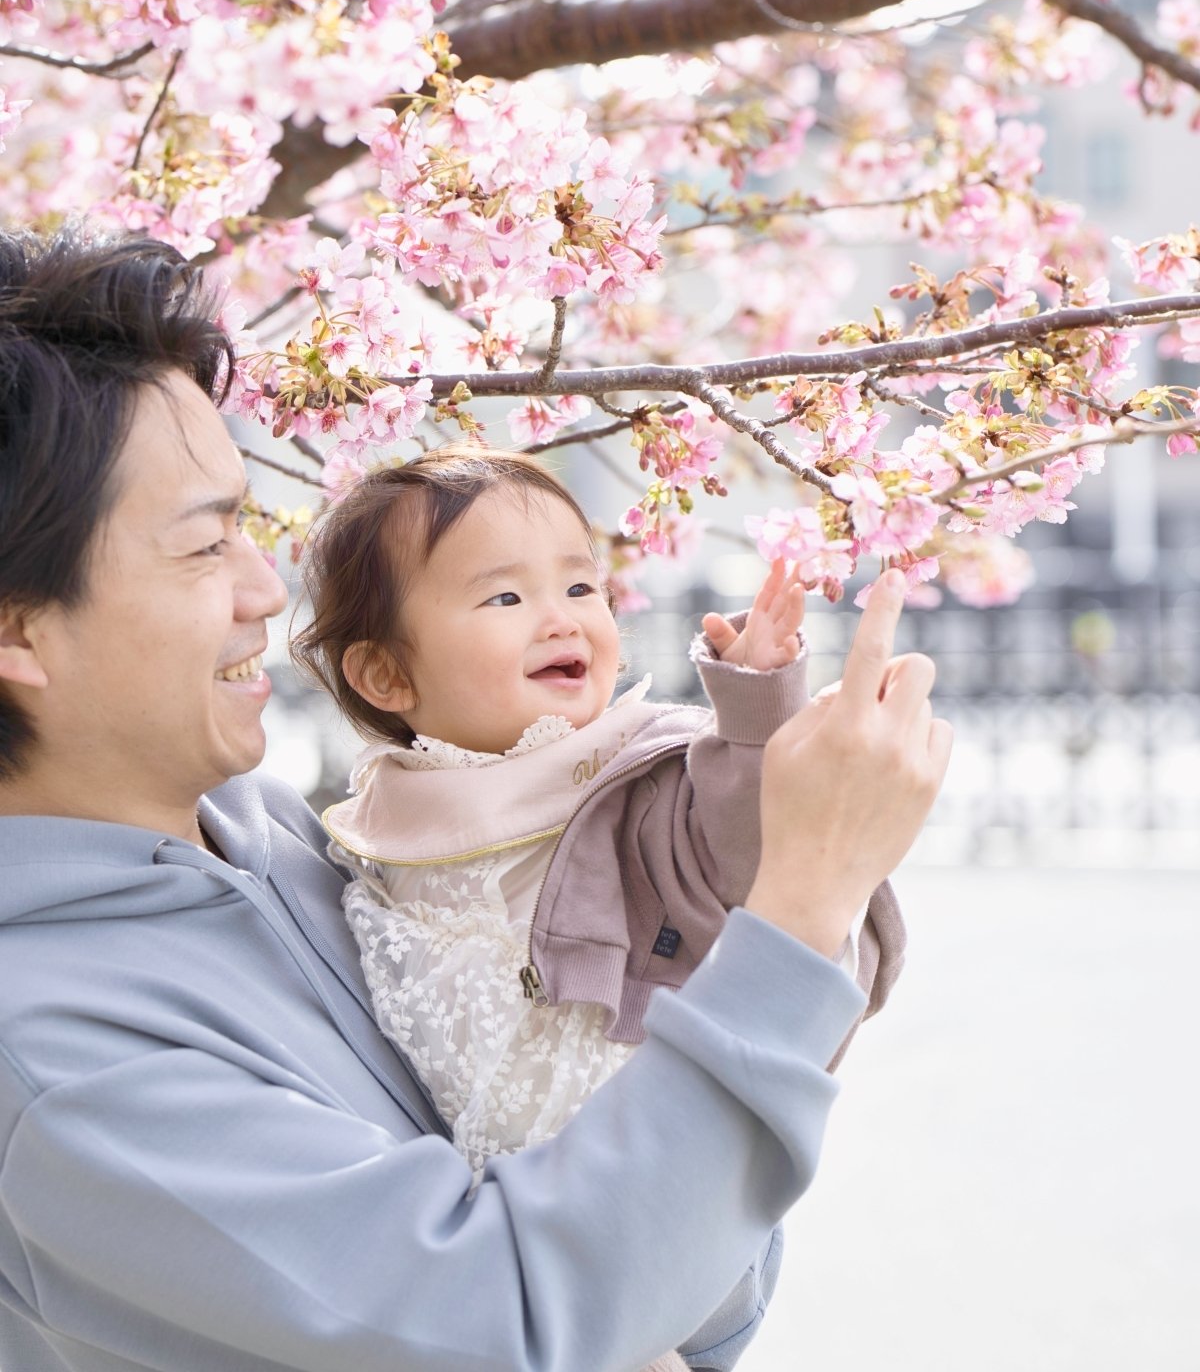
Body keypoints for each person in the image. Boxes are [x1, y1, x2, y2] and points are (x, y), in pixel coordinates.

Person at [0, 225, 952, 1372]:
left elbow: (701, 1295)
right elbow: (514, 1322)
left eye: (251, 528)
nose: (266, 587)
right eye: (206, 550)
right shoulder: (58, 1064)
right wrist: (803, 902)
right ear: (18, 629)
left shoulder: (312, 850)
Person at [294, 447, 906, 1197]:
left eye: (581, 586)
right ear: (388, 674)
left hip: (629, 1122)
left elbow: (740, 857)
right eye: (505, 600)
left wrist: (753, 713)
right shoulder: (390, 811)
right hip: (481, 1166)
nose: (561, 619)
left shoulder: (635, 773)